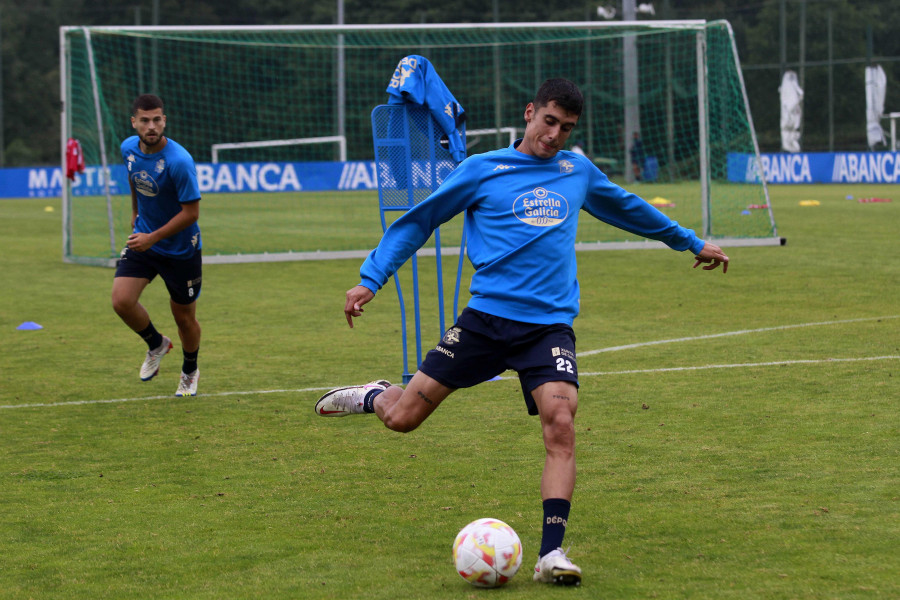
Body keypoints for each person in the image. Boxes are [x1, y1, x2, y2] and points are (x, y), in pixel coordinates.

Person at [315, 78, 728, 586]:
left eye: (566, 127)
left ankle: (551, 554)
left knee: (561, 422)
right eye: (549, 121)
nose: (554, 135)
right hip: (485, 321)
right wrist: (371, 278)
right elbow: (418, 222)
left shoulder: (577, 172)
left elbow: (629, 208)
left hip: (548, 328)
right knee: (402, 420)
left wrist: (690, 242)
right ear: (530, 112)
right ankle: (378, 394)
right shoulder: (481, 170)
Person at [111, 94, 203, 397]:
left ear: (164, 120)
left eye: (157, 119)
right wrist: (136, 213)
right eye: (145, 120)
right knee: (121, 301)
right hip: (145, 240)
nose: (152, 126)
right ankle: (156, 343)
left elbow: (191, 213)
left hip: (181, 250)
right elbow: (135, 179)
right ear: (134, 122)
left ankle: (190, 369)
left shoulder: (179, 161)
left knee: (184, 318)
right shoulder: (128, 148)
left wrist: (153, 237)